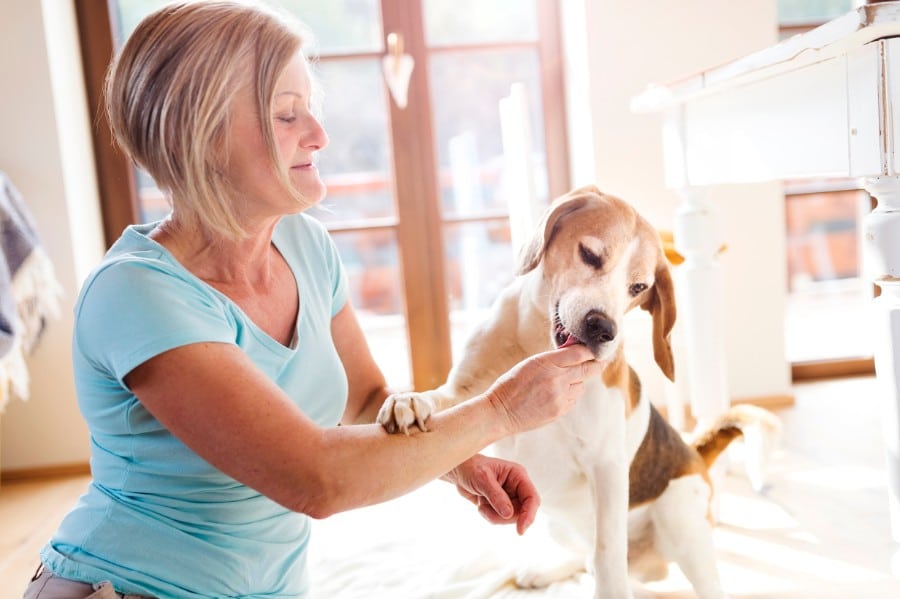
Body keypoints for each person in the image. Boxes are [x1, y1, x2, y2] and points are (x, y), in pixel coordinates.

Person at [23, 2, 603, 597]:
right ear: (200, 135)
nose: (319, 135)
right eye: (285, 115)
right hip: (124, 587)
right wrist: (499, 410)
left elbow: (369, 399)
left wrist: (455, 459)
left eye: (310, 108)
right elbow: (316, 478)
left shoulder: (303, 245)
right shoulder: (136, 292)